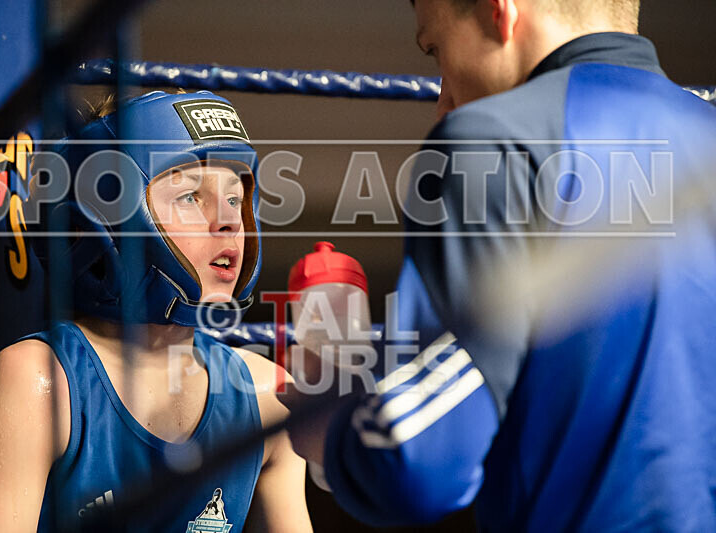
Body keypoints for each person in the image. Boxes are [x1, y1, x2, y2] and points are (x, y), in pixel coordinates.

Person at [281, 0, 716, 531]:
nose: (443, 101)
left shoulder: (492, 140)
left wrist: (328, 416)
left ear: (499, 12)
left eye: (436, 50)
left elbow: (417, 466)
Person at [0, 91, 312, 532]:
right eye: (191, 196)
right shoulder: (37, 383)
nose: (229, 222)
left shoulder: (266, 395)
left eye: (235, 199)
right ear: (107, 221)